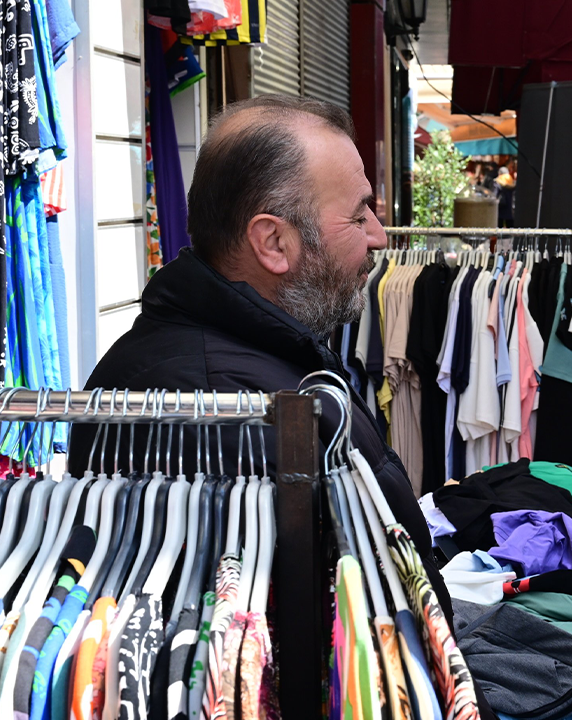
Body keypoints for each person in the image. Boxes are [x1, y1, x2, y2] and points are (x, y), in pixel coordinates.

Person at [66, 95, 460, 625]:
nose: (378, 236)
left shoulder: (259, 361)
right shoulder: (223, 409)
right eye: (358, 214)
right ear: (273, 241)